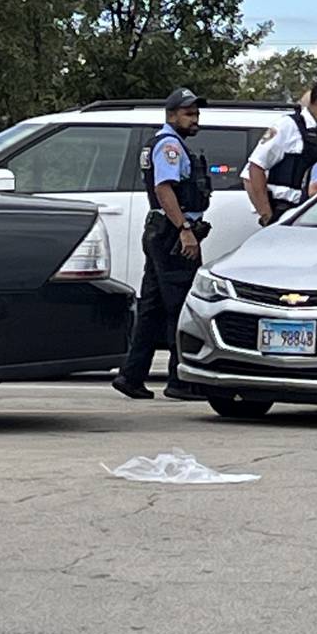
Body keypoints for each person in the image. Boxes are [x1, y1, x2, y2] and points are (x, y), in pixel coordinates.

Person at [113, 88, 212, 402]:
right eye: (188, 114)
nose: (195, 119)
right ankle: (180, 380)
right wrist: (184, 229)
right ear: (171, 115)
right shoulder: (169, 145)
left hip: (160, 231)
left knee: (152, 307)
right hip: (172, 233)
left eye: (196, 114)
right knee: (180, 305)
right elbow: (164, 188)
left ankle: (131, 375)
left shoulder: (164, 142)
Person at [242, 78, 317, 224]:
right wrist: (267, 216)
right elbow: (254, 168)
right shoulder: (288, 126)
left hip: (316, 215)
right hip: (286, 211)